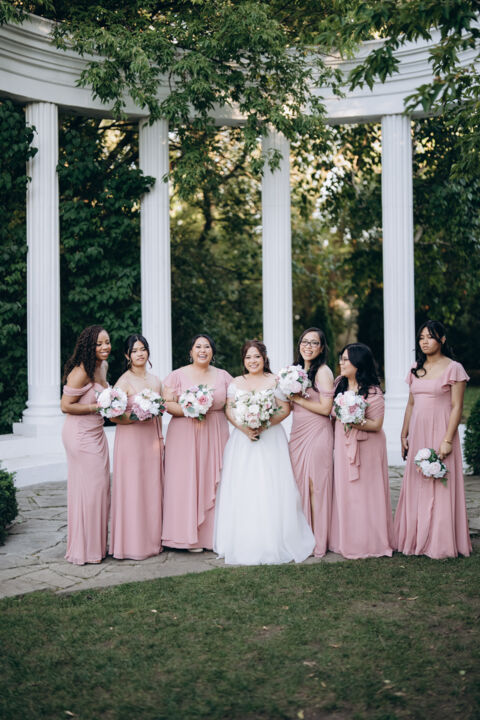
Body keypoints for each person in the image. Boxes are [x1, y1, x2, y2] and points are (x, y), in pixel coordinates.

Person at [214, 340, 315, 565]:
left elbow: (285, 409)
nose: (253, 361)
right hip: (242, 440)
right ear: (243, 360)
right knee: (244, 485)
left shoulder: (274, 380)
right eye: (248, 357)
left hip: (271, 439)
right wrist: (244, 428)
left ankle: (274, 539)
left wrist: (264, 424)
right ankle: (242, 539)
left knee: (271, 484)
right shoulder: (236, 382)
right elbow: (229, 409)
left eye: (257, 357)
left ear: (264, 358)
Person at [394, 320, 471, 558]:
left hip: (441, 430)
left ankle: (440, 541)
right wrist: (403, 434)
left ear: (442, 340)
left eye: (430, 337)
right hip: (418, 431)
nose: (425, 342)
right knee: (418, 481)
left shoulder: (454, 368)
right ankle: (416, 537)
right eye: (421, 338)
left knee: (440, 481)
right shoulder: (415, 368)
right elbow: (411, 404)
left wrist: (447, 439)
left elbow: (457, 406)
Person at [162, 334, 232, 551]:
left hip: (216, 432)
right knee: (184, 480)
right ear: (190, 351)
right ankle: (185, 536)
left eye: (207, 346)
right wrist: (191, 408)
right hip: (184, 434)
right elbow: (166, 403)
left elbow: (233, 404)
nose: (203, 350)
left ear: (213, 351)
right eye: (198, 346)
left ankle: (213, 537)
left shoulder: (224, 376)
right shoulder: (176, 376)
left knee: (216, 479)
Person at [329, 343, 394, 559]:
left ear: (359, 363)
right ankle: (347, 539)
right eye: (341, 359)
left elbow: (376, 425)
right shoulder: (338, 384)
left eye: (346, 360)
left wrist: (351, 419)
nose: (341, 363)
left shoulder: (373, 391)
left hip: (368, 446)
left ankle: (371, 541)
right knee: (347, 492)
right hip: (343, 443)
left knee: (367, 493)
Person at [109, 334, 164, 560]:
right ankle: (132, 545)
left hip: (151, 440)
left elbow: (161, 411)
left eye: (143, 349)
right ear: (127, 355)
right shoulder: (123, 382)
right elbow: (113, 416)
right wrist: (137, 416)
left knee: (151, 488)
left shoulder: (156, 380)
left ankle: (152, 541)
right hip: (130, 441)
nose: (139, 354)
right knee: (133, 489)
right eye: (134, 351)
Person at [61, 325, 111, 565]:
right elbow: (65, 405)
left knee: (99, 490)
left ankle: (96, 548)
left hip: (97, 432)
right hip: (80, 435)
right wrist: (96, 407)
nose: (104, 347)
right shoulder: (81, 371)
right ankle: (84, 550)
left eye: (107, 342)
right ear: (88, 346)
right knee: (89, 491)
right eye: (98, 344)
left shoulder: (103, 366)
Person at [289, 328, 334, 557]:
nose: (308, 346)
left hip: (317, 433)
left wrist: (297, 399)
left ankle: (319, 541)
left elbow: (326, 409)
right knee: (299, 486)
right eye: (304, 342)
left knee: (317, 486)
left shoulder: (323, 372)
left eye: (314, 343)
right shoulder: (295, 371)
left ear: (321, 347)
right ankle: (303, 536)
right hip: (297, 433)